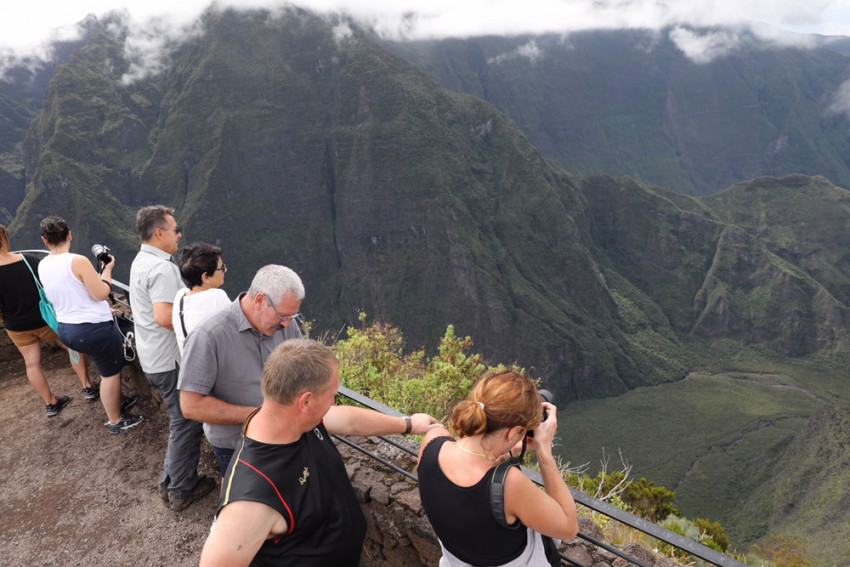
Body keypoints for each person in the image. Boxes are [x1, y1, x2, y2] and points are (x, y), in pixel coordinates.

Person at [198, 338, 438, 567]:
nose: (333, 402)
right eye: (331, 394)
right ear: (305, 402)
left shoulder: (291, 419)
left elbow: (349, 421)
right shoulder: (252, 499)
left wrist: (407, 424)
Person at [417, 369, 579, 567]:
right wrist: (544, 451)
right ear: (514, 432)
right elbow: (569, 527)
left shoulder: (432, 441)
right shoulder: (509, 484)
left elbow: (470, 459)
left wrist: (508, 445)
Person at [179, 264, 305, 476]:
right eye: (282, 316)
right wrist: (260, 415)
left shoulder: (286, 324)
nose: (286, 325)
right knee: (243, 501)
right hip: (237, 446)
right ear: (259, 301)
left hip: (286, 436)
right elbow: (191, 406)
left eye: (291, 317)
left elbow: (302, 368)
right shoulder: (208, 336)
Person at [129, 205, 215, 511]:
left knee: (180, 422)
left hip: (152, 355)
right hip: (170, 360)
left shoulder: (141, 260)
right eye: (176, 229)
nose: (180, 234)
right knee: (186, 423)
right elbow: (165, 316)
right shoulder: (163, 269)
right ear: (159, 232)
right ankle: (181, 490)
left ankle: (170, 481)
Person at [37, 216, 143, 433]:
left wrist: (104, 310)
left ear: (45, 241)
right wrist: (108, 269)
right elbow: (102, 293)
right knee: (110, 373)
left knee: (106, 368)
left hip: (66, 328)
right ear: (70, 235)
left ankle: (116, 402)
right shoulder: (78, 261)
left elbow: (71, 294)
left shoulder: (43, 264)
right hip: (92, 330)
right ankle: (115, 420)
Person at [0, 225, 98, 417]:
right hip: (44, 318)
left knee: (32, 363)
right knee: (71, 346)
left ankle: (51, 403)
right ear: (5, 237)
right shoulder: (28, 261)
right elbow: (49, 285)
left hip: (16, 326)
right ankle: (87, 386)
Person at [171, 242, 230, 355]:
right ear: (206, 277)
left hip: (190, 368)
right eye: (221, 267)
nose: (225, 270)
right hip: (214, 369)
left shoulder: (180, 297)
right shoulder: (217, 297)